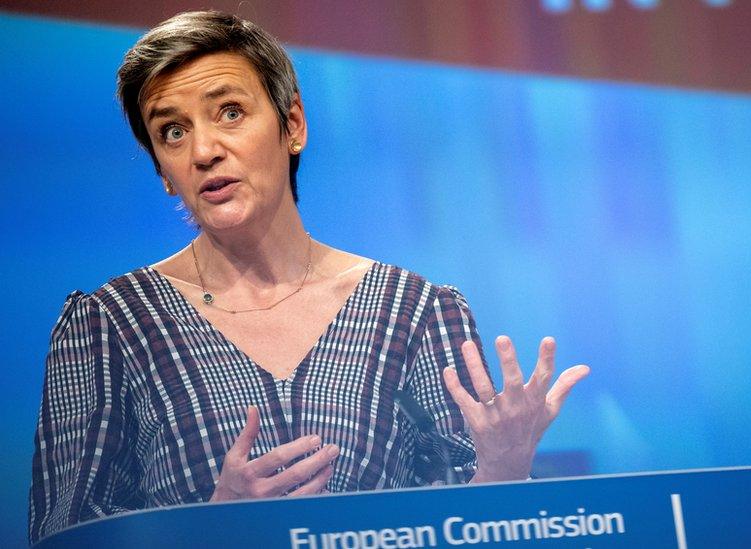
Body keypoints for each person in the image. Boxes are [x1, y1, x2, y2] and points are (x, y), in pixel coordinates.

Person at [28, 10, 589, 544]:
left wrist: (504, 471)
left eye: (229, 112)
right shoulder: (112, 326)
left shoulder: (416, 311)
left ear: (292, 124)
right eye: (172, 131)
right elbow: (66, 536)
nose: (203, 151)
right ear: (164, 172)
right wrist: (211, 529)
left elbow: (472, 533)